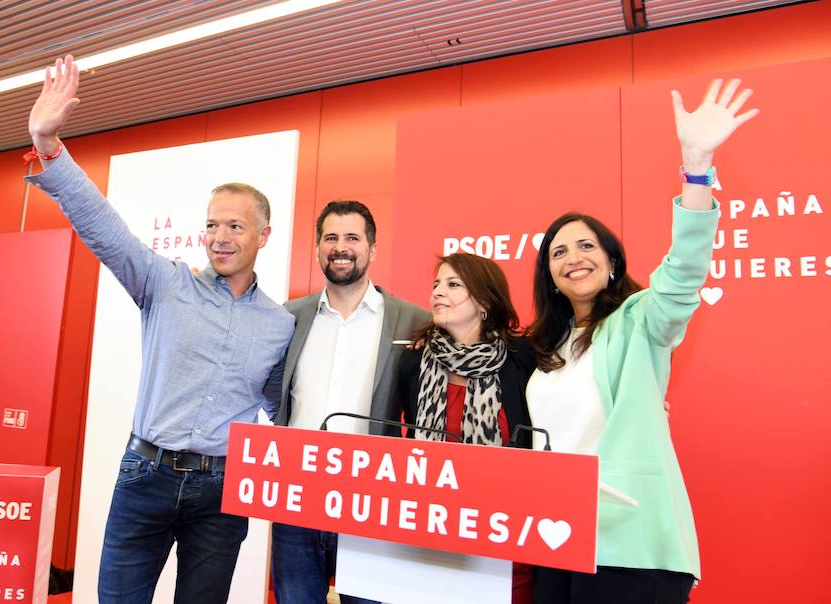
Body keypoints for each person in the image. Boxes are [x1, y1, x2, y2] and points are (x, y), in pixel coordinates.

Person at [26, 55, 294, 603]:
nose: (220, 236)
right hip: (144, 477)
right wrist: (50, 146)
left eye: (235, 225)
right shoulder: (164, 283)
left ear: (263, 235)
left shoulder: (279, 323)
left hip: (222, 492)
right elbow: (104, 228)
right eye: (212, 224)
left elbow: (282, 406)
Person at [525, 78, 758, 603]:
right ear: (548, 274)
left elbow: (682, 276)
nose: (572, 257)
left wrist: (696, 168)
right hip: (555, 537)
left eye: (586, 246)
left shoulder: (639, 322)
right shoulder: (546, 349)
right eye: (558, 252)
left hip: (629, 539)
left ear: (611, 263)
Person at [268, 200, 428, 604]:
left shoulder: (412, 321)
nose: (341, 247)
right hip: (296, 499)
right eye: (331, 237)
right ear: (318, 248)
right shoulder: (289, 317)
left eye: (352, 238)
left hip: (372, 502)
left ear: (372, 249)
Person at [398, 252, 535, 602]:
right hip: (430, 534)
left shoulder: (523, 357)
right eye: (436, 285)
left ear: (486, 301)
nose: (437, 292)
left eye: (453, 284)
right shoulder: (414, 359)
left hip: (505, 537)